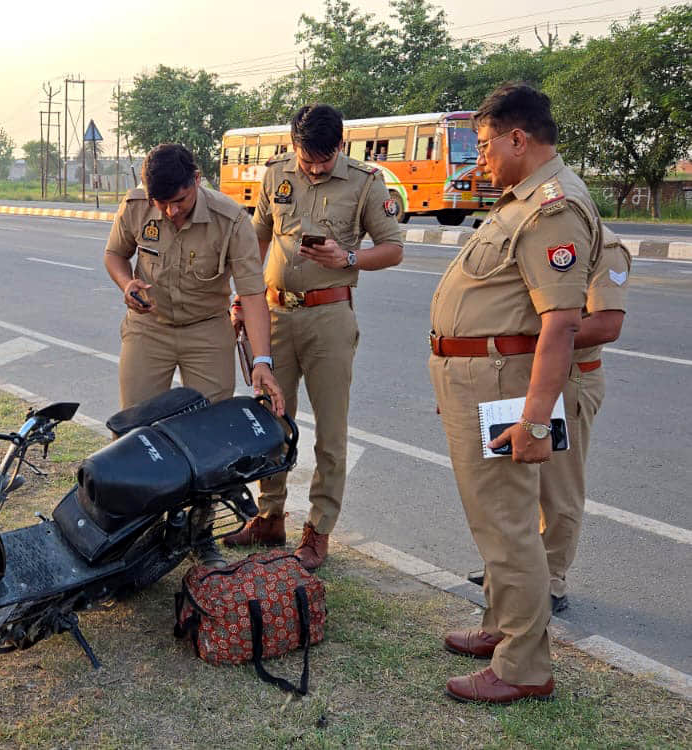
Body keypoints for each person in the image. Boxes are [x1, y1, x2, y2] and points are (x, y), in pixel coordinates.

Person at [428, 83, 599, 704]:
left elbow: (560, 323)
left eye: (485, 143)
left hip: (504, 385)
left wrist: (531, 422)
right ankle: (502, 627)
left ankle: (524, 665)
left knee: (507, 525)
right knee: (495, 520)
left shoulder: (552, 208)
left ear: (517, 139)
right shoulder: (521, 201)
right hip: (481, 379)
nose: (482, 158)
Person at [223, 104, 403, 571]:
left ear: (340, 146)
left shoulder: (366, 182)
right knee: (270, 423)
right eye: (307, 158)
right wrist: (244, 300)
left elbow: (393, 249)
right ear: (293, 145)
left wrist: (347, 258)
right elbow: (258, 240)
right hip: (275, 314)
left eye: (324, 159)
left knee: (330, 432)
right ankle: (269, 516)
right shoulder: (276, 174)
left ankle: (317, 530)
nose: (315, 167)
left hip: (329, 318)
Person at [103, 143, 285, 568]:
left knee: (212, 442)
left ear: (197, 181)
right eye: (161, 203)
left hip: (207, 332)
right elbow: (115, 254)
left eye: (179, 201)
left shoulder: (230, 220)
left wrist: (262, 361)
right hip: (149, 328)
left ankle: (200, 533)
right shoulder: (134, 205)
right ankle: (137, 534)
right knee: (133, 432)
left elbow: (253, 295)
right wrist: (126, 284)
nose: (170, 212)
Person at [538, 227, 628, 614]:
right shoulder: (536, 237)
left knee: (560, 485)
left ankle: (551, 578)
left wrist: (536, 338)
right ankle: (518, 570)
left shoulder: (604, 248)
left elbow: (607, 325)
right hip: (529, 373)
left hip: (571, 379)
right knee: (522, 480)